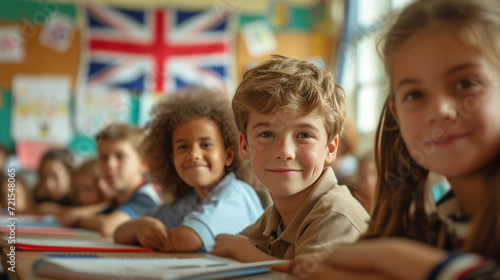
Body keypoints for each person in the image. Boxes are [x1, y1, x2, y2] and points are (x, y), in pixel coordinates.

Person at [283, 0, 500, 278]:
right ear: (396, 112)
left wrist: (385, 254)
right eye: (415, 95)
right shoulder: (439, 221)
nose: (440, 111)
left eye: (465, 83)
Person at [211, 55, 369, 262]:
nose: (285, 151)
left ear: (331, 149)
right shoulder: (275, 215)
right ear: (244, 146)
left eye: (304, 135)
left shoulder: (336, 216)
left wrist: (245, 252)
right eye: (266, 134)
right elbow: (224, 250)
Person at [113, 88, 264, 253]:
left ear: (228, 155)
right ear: (172, 160)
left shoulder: (237, 195)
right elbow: (119, 233)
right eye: (182, 147)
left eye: (206, 145)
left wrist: (151, 234)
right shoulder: (190, 202)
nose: (194, 155)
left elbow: (184, 240)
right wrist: (138, 226)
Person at [74, 123, 162, 237]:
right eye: (103, 157)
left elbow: (108, 226)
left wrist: (78, 220)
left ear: (143, 163)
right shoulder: (119, 199)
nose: (110, 164)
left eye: (121, 156)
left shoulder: (146, 196)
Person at [34, 148, 76, 214]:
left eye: (55, 176)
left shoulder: (82, 200)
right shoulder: (38, 201)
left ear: (71, 175)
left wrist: (59, 212)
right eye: (43, 177)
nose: (48, 185)